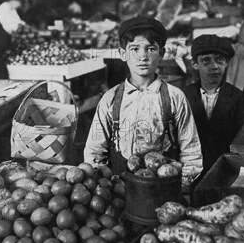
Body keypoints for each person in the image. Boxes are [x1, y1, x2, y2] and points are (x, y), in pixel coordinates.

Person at [84, 16, 202, 188]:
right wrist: (103, 185)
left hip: (164, 188)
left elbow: (191, 151)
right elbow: (94, 151)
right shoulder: (110, 99)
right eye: (134, 49)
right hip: (120, 188)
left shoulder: (175, 97)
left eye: (150, 49)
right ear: (122, 54)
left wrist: (183, 184)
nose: (142, 56)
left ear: (161, 53)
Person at [184, 35, 244, 172]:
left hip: (228, 171)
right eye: (206, 61)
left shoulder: (239, 99)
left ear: (226, 63)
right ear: (195, 64)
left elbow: (242, 144)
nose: (214, 66)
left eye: (220, 60)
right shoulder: (183, 97)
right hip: (191, 171)